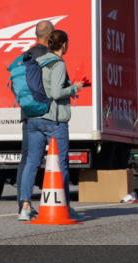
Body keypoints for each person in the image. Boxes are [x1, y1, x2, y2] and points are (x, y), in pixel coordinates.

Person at [16, 29, 86, 221]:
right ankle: (64, 207)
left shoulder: (38, 61)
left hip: (34, 118)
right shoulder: (58, 64)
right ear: (64, 45)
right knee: (61, 163)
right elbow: (56, 93)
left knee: (32, 162)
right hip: (53, 121)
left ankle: (25, 207)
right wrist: (74, 88)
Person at [14, 19, 55, 214]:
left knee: (27, 160)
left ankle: (23, 205)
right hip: (47, 113)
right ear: (51, 36)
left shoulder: (25, 56)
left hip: (28, 112)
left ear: (36, 35)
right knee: (58, 157)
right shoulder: (50, 57)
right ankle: (62, 204)